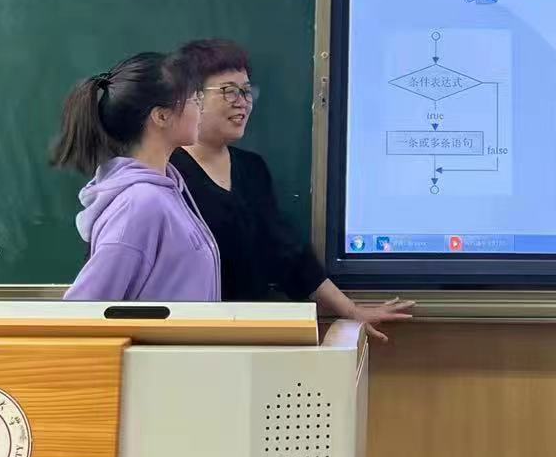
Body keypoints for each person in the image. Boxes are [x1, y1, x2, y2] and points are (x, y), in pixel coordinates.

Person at [173, 39, 412, 340]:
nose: (242, 102)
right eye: (229, 91)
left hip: (249, 336)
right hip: (186, 337)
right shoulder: (166, 174)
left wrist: (352, 311)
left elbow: (289, 252)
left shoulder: (252, 169)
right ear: (190, 97)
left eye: (246, 91)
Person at [54, 51, 221, 302]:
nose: (201, 109)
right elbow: (84, 309)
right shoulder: (140, 205)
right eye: (194, 99)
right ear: (161, 116)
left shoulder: (165, 191)